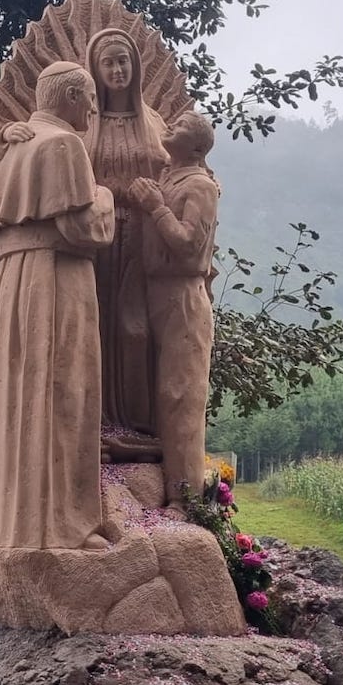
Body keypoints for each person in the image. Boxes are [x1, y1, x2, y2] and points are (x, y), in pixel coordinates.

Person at [0, 61, 114, 550]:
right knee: (60, 395)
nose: (92, 107)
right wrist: (105, 198)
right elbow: (80, 228)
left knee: (17, 397)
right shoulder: (63, 145)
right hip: (53, 280)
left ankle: (8, 524)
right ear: (68, 96)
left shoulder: (14, 148)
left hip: (10, 285)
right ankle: (59, 526)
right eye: (88, 97)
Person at [128, 110, 219, 512]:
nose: (170, 126)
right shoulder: (170, 175)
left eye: (180, 127)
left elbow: (187, 245)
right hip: (152, 292)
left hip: (182, 295)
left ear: (197, 147)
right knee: (154, 391)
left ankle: (185, 499)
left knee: (180, 395)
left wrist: (155, 206)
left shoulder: (200, 185)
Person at [84, 27, 170, 441]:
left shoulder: (151, 122)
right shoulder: (84, 124)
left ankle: (139, 424)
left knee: (136, 328)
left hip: (141, 236)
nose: (117, 69)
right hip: (94, 238)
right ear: (95, 71)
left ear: (135, 67)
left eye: (124, 61)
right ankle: (95, 420)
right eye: (109, 62)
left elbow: (176, 167)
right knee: (93, 324)